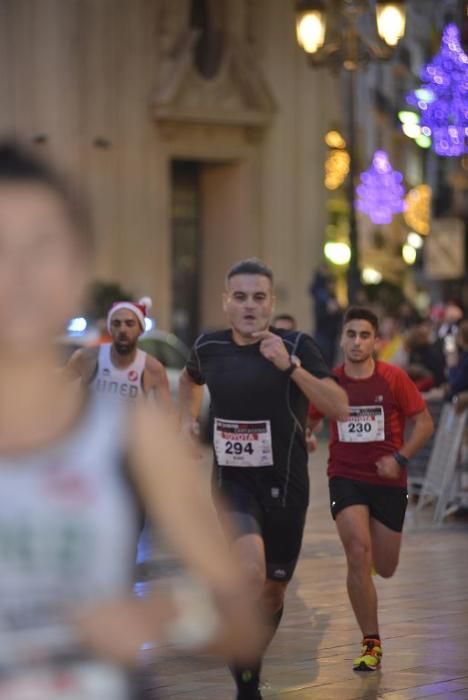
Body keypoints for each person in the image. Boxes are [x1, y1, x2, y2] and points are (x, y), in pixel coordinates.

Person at [0, 142, 261, 699]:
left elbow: (238, 614)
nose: (19, 275)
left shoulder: (130, 437)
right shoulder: (84, 363)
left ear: (77, 271)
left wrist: (158, 616)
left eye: (41, 248)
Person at [179, 258, 349, 699]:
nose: (249, 306)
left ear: (271, 302)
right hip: (232, 482)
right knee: (250, 572)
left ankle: (250, 667)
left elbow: (339, 407)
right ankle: (244, 681)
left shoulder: (298, 344)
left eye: (258, 297)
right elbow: (189, 380)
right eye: (240, 297)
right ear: (226, 302)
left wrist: (290, 367)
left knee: (273, 591)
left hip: (286, 486)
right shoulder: (209, 346)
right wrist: (185, 419)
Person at [309, 307, 433, 672]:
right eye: (351, 334)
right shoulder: (330, 383)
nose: (357, 342)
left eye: (365, 335)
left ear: (376, 341)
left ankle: (371, 569)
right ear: (342, 338)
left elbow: (424, 424)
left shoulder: (393, 378)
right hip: (345, 477)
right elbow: (309, 420)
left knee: (386, 566)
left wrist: (400, 457)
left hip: (389, 481)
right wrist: (304, 435)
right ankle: (371, 643)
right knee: (357, 553)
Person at [66, 297, 172, 409]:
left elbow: (168, 415)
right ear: (110, 328)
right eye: (116, 324)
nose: (122, 330)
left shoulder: (153, 369)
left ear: (141, 330)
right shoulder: (86, 358)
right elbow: (53, 385)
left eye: (129, 324)